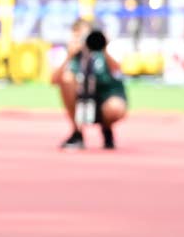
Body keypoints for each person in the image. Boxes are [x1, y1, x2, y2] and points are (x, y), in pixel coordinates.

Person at [52, 20, 128, 150]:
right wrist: (69, 56)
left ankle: (107, 129)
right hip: (81, 101)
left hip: (105, 100)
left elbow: (119, 70)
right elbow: (53, 80)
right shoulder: (70, 54)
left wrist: (103, 47)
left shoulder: (106, 49)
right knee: (67, 78)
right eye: (78, 36)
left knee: (115, 108)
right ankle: (77, 132)